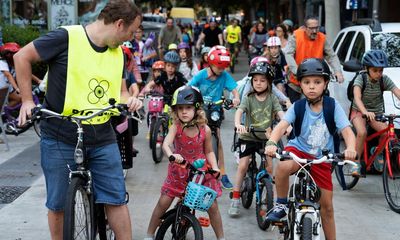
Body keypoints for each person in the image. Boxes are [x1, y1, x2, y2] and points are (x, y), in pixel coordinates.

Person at [14, 1, 143, 240]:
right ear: (119, 24)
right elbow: (22, 56)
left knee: (115, 198)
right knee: (58, 204)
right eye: (131, 31)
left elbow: (121, 92)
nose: (130, 38)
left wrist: (130, 100)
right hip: (60, 136)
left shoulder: (118, 55)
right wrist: (27, 101)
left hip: (103, 136)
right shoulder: (67, 37)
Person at [264, 58, 357, 240]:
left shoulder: (332, 106)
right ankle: (282, 204)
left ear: (326, 83)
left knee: (327, 208)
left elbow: (347, 131)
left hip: (322, 158)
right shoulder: (298, 107)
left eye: (317, 82)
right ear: (301, 85)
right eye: (307, 82)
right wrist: (272, 142)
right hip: (298, 150)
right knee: (282, 166)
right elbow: (282, 126)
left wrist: (351, 147)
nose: (312, 87)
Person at [144, 86, 225, 240]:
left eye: (188, 108)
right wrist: (172, 155)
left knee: (212, 206)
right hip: (179, 170)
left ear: (197, 109)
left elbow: (209, 151)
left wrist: (215, 167)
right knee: (163, 202)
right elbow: (167, 144)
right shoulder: (176, 127)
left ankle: (221, 237)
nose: (184, 112)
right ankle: (149, 234)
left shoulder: (204, 130)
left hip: (200, 173)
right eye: (180, 108)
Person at [228, 61, 285, 216]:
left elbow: (281, 114)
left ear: (269, 82)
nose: (258, 83)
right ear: (251, 81)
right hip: (247, 136)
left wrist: (287, 125)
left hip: (267, 138)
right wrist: (238, 123)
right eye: (255, 80)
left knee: (269, 167)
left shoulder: (273, 98)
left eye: (262, 80)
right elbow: (240, 111)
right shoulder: (248, 97)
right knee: (243, 166)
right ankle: (235, 198)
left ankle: (268, 199)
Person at [189, 45, 240, 189]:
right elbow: (189, 87)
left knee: (217, 141)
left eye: (224, 67)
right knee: (194, 138)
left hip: (214, 112)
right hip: (199, 111)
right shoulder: (201, 75)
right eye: (220, 67)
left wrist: (236, 98)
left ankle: (222, 173)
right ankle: (192, 170)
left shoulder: (224, 75)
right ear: (211, 64)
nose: (222, 70)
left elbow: (234, 90)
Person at [350, 50, 400, 176]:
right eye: (375, 70)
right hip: (359, 111)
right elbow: (357, 97)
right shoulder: (361, 79)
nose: (379, 74)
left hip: (376, 113)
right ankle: (355, 163)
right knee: (362, 132)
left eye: (381, 70)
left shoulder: (384, 80)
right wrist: (365, 112)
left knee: (387, 132)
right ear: (367, 68)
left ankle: (377, 153)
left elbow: (397, 92)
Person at [285, 16, 344, 103]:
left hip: (316, 81)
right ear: (305, 28)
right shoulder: (296, 36)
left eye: (317, 28)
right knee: (297, 111)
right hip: (296, 82)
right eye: (311, 28)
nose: (315, 31)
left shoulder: (322, 38)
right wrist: (296, 70)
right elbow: (288, 54)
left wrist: (338, 71)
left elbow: (331, 56)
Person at [0, 42, 41, 107]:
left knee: (18, 99)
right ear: (8, 55)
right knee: (17, 98)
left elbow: (24, 72)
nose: (18, 55)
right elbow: (8, 75)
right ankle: (3, 113)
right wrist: (17, 88)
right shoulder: (2, 62)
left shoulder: (12, 64)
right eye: (15, 53)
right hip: (2, 88)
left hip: (7, 89)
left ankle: (5, 113)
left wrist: (38, 80)